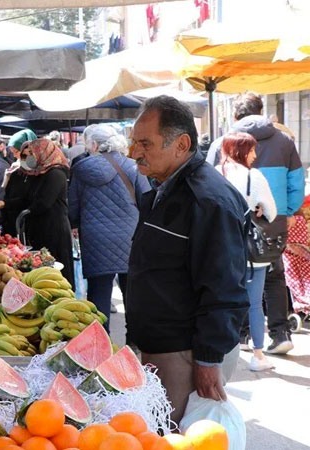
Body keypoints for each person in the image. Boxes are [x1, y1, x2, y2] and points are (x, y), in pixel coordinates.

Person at [127, 96, 248, 423]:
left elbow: (224, 287)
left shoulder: (208, 200)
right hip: (161, 346)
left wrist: (208, 360)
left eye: (144, 143)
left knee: (180, 437)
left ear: (181, 144)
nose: (133, 152)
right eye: (133, 142)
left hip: (184, 353)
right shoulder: (165, 189)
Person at [209, 92, 303, 354]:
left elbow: (206, 182)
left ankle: (242, 334)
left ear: (236, 116)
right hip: (274, 223)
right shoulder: (284, 141)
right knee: (274, 275)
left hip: (233, 225)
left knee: (237, 277)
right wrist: (288, 210)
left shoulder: (222, 143)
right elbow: (296, 182)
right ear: (261, 110)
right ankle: (279, 332)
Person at [68, 129, 151, 331]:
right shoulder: (132, 167)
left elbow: (73, 207)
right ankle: (135, 341)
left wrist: (76, 224)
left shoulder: (81, 168)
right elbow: (146, 200)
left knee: (98, 293)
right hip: (129, 236)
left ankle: (101, 345)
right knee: (132, 293)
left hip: (94, 237)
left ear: (95, 145)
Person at [216, 131, 277, 372]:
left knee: (221, 298)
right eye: (251, 150)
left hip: (220, 247)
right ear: (241, 151)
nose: (254, 155)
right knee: (253, 302)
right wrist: (259, 208)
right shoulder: (254, 176)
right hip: (250, 250)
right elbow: (271, 211)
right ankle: (258, 355)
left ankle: (223, 350)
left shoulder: (216, 173)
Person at [0, 138, 75, 285]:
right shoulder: (39, 173)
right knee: (41, 272)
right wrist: (6, 204)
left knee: (56, 271)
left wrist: (26, 213)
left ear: (43, 152)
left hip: (54, 229)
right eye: (27, 154)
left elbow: (43, 203)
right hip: (39, 228)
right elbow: (27, 198)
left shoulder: (56, 174)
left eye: (32, 153)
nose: (30, 157)